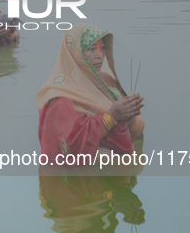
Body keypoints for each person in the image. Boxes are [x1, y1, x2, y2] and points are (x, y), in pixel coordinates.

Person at [37, 24, 144, 163]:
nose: (100, 55)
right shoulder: (59, 97)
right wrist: (112, 116)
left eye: (103, 48)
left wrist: (129, 116)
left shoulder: (107, 83)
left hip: (117, 173)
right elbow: (68, 146)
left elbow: (137, 131)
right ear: (76, 55)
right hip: (83, 177)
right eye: (92, 49)